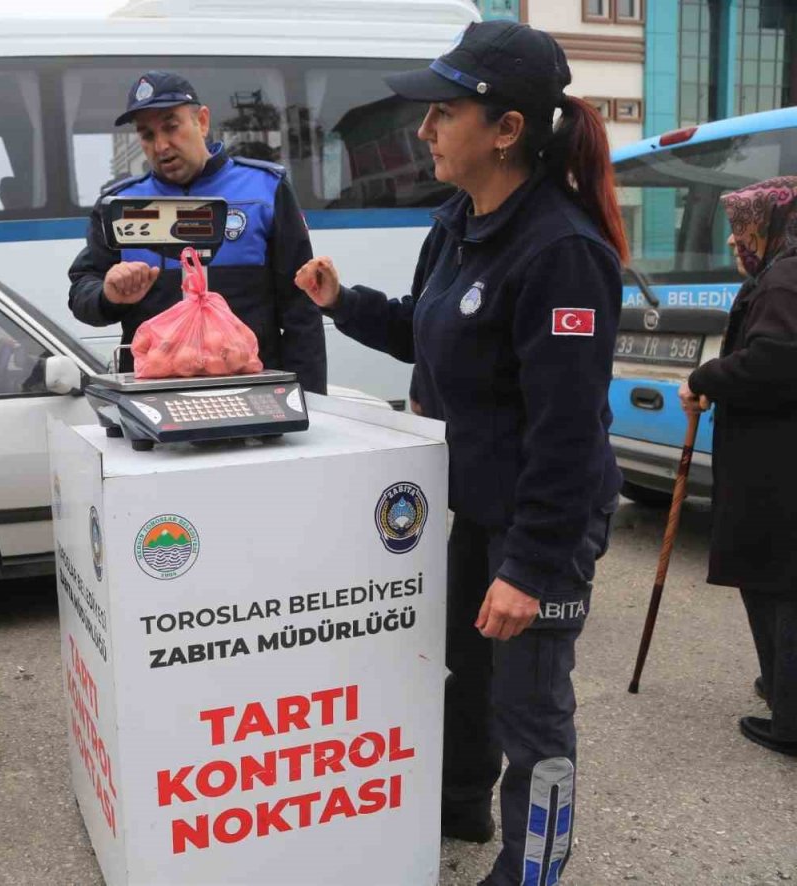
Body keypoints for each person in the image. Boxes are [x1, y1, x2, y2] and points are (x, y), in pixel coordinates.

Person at [294, 21, 625, 885]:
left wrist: (534, 567)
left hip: (539, 523)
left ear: (507, 129)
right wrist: (344, 302)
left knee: (533, 713)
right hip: (475, 508)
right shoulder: (460, 222)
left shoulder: (563, 254)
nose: (424, 131)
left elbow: (568, 434)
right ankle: (457, 811)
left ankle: (535, 870)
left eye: (444, 112)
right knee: (462, 677)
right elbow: (431, 332)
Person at [67, 71, 327, 394]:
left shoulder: (265, 190)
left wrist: (309, 402)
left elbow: (302, 308)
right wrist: (108, 296)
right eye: (147, 135)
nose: (161, 145)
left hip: (252, 396)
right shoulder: (119, 206)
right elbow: (81, 291)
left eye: (171, 126)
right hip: (155, 402)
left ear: (202, 122)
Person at [680, 177, 797, 758]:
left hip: (777, 461)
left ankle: (790, 716)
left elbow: (775, 361)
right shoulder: (783, 273)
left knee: (777, 579)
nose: (732, 241)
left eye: (740, 227)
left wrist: (705, 377)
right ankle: (781, 686)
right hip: (776, 455)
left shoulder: (783, 278)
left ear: (768, 227)